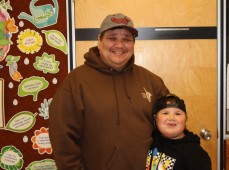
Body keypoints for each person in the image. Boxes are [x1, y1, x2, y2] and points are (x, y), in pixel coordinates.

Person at [49, 13, 170, 170]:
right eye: (112, 38)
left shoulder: (152, 81)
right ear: (99, 41)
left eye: (126, 39)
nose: (119, 45)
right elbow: (62, 138)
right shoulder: (76, 81)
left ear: (133, 44)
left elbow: (172, 126)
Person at [146, 94, 211, 170]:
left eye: (177, 113)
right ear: (156, 118)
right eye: (165, 113)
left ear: (185, 119)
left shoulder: (195, 154)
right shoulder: (150, 141)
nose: (171, 118)